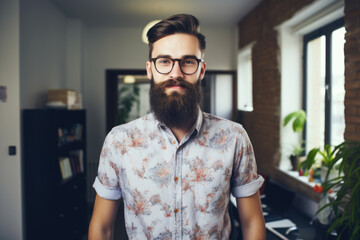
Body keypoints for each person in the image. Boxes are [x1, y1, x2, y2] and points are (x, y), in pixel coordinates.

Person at [88, 13, 266, 240]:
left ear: (201, 70)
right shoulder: (119, 141)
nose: (176, 73)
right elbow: (102, 228)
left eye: (188, 62)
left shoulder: (234, 137)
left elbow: (252, 222)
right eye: (164, 61)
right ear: (150, 69)